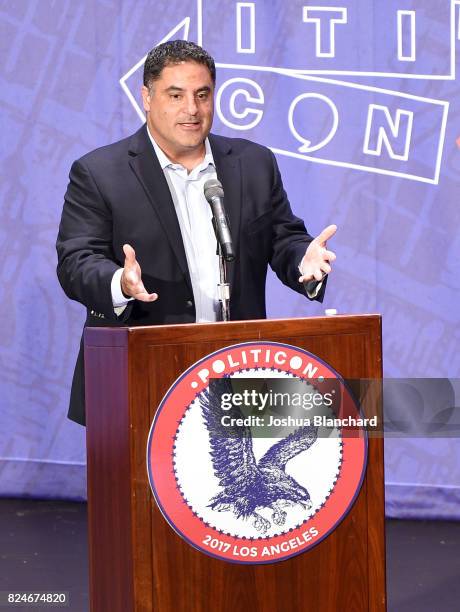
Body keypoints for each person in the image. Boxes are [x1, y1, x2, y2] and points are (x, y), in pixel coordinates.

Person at [56, 40, 337, 426]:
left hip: (238, 377)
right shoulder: (100, 173)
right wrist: (120, 282)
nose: (192, 109)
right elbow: (76, 262)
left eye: (202, 95)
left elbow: (282, 237)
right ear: (147, 97)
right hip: (141, 375)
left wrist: (303, 257)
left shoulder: (253, 163)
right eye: (176, 95)